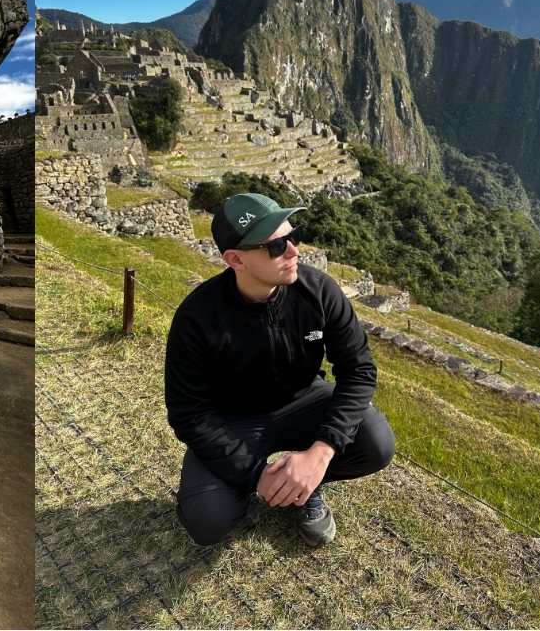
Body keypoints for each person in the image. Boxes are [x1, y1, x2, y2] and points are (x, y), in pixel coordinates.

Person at [164, 192, 395, 547]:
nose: (293, 251)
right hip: (234, 419)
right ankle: (263, 492)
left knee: (377, 443)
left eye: (293, 236)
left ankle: (306, 484)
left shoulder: (319, 291)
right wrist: (256, 476)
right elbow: (188, 413)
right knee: (207, 520)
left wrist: (320, 453)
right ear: (234, 259)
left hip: (305, 401)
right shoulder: (197, 318)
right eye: (276, 246)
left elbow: (358, 370)